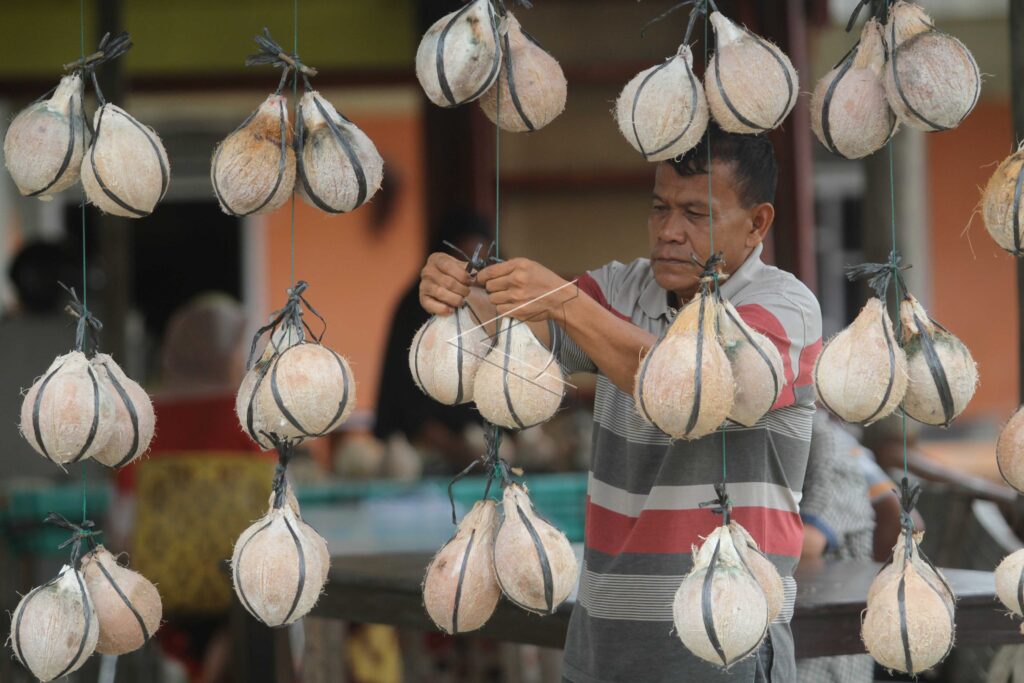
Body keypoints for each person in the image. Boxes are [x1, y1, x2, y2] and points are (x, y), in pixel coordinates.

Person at [419, 123, 822, 682]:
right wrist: (461, 298)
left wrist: (565, 302)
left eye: (696, 214)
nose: (669, 232)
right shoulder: (622, 290)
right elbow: (514, 333)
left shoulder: (783, 308)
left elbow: (696, 387)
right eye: (660, 209)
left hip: (724, 650)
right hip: (603, 647)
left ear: (758, 223)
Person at [374, 210, 492, 473]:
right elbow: (403, 392)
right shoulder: (415, 307)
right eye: (463, 261)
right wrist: (453, 447)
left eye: (479, 264)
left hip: (479, 439)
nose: (472, 272)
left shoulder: (492, 304)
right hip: (416, 446)